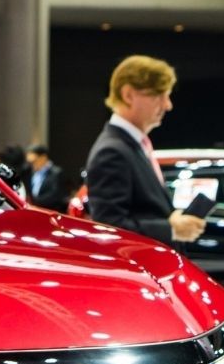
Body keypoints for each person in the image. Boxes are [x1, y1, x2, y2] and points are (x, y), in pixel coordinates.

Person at [84, 55, 205, 245]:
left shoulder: (131, 145)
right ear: (128, 95)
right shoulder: (112, 152)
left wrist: (171, 222)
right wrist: (172, 229)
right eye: (159, 96)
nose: (168, 105)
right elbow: (110, 227)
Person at [25, 143, 65, 212]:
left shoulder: (56, 173)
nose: (32, 165)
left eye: (34, 161)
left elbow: (55, 195)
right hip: (32, 211)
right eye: (30, 163)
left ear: (43, 157)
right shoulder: (29, 172)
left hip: (49, 212)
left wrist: (34, 203)